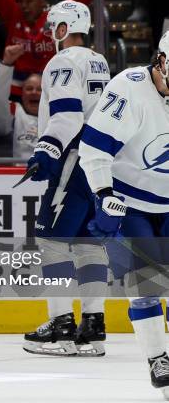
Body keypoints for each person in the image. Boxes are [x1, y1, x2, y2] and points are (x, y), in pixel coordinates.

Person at [78, 30, 169, 397]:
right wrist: (102, 192)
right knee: (145, 285)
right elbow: (93, 148)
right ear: (161, 61)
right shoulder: (129, 88)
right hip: (132, 205)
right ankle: (158, 358)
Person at [21, 0, 111, 357]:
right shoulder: (99, 61)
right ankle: (93, 326)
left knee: (51, 241)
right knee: (89, 244)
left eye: (52, 26)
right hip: (98, 164)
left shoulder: (62, 61)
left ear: (64, 27)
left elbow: (67, 115)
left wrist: (47, 150)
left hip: (73, 159)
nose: (49, 33)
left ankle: (61, 327)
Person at [0, 43, 41, 160]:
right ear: (22, 95)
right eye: (29, 89)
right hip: (17, 176)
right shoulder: (14, 113)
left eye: (39, 89)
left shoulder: (55, 117)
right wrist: (6, 64)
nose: (34, 92)